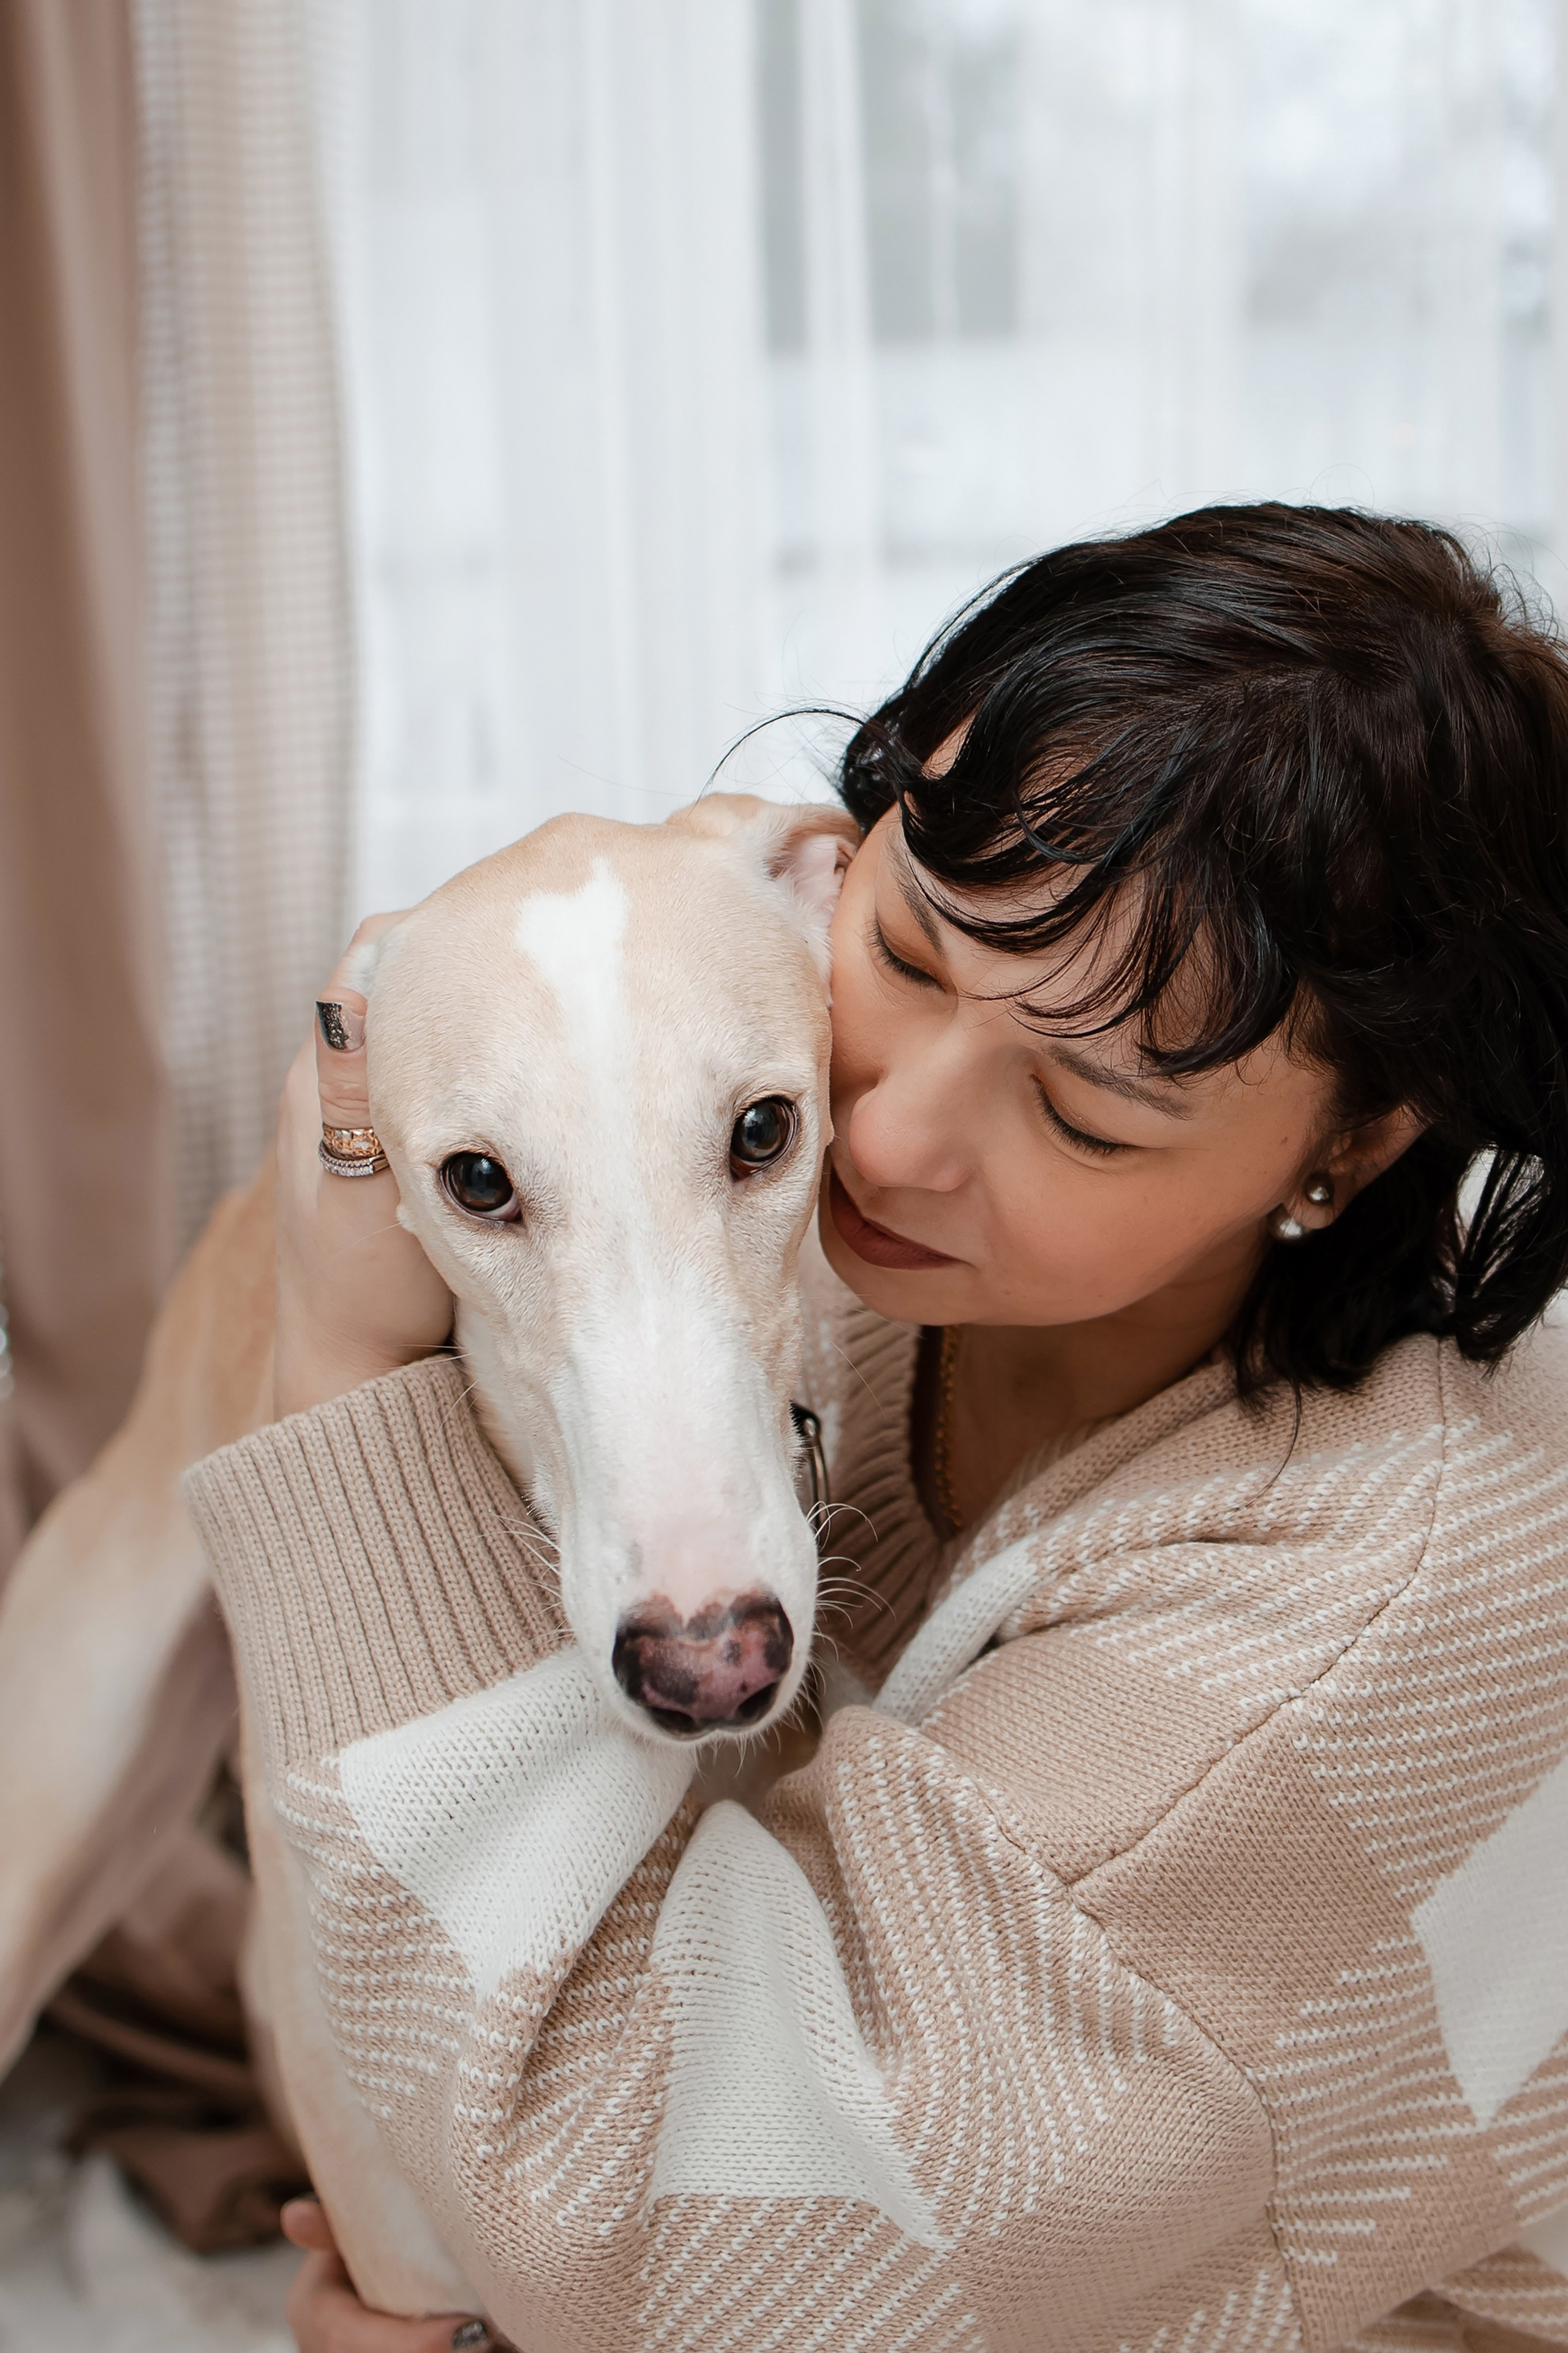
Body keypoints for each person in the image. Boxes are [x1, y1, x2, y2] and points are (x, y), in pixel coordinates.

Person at [192, 505, 1568, 2353]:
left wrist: (344, 1363)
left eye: (1082, 1113)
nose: (892, 1136)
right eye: (910, 952)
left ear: (1353, 1145)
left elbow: (678, 2258)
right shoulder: (849, 1243)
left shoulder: (1351, 1647)